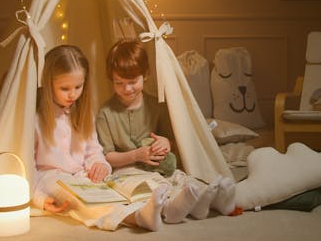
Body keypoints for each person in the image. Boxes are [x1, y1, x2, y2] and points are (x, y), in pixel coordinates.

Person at [96, 39, 237, 221]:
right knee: (151, 187)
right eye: (119, 83)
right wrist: (136, 156)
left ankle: (212, 201)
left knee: (181, 178)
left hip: (161, 166)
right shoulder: (105, 113)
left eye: (132, 81)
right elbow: (108, 156)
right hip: (127, 170)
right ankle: (171, 210)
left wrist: (166, 143)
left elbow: (173, 140)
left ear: (145, 75)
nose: (126, 89)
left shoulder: (157, 105)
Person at [32, 44, 167, 231]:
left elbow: (94, 150)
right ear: (49, 85)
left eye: (78, 87)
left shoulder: (83, 114)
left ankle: (146, 209)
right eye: (65, 88)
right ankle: (136, 218)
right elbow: (27, 167)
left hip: (81, 175)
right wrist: (39, 198)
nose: (73, 94)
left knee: (107, 192)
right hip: (50, 178)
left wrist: (100, 165)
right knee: (81, 202)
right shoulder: (36, 120)